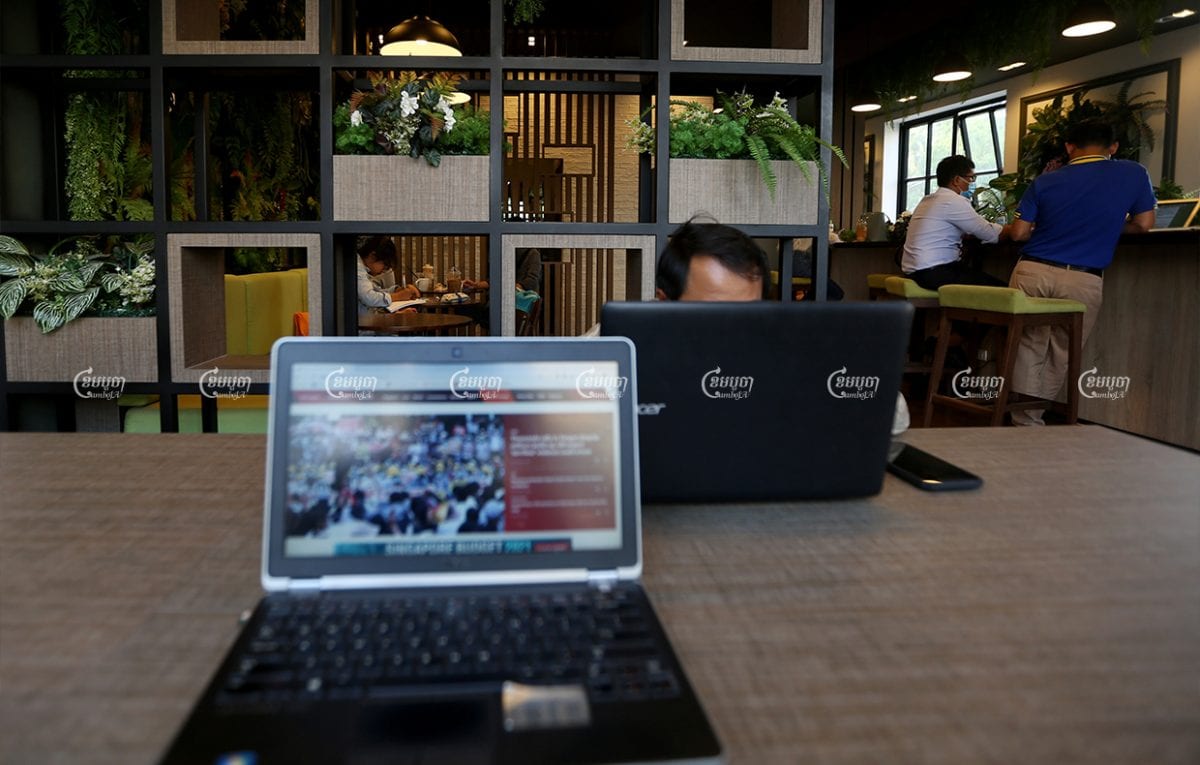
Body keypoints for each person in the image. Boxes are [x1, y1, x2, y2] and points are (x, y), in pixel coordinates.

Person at [603, 216, 910, 433]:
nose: (733, 329)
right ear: (663, 302)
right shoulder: (619, 347)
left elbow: (894, 416)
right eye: (714, 313)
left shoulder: (776, 347)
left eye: (747, 312)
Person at [1006, 119, 1156, 425]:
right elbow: (1144, 224)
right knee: (1062, 351)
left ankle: (1022, 423)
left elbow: (1019, 233)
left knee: (1028, 345)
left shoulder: (1045, 182)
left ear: (1069, 147)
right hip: (1083, 278)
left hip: (1032, 272)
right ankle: (1030, 420)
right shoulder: (1133, 173)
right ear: (1113, 147)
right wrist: (1106, 227)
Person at [901, 155, 1011, 290]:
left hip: (916, 272)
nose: (972, 183)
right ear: (957, 180)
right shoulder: (953, 201)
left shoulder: (927, 200)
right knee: (1003, 291)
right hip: (934, 272)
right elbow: (989, 233)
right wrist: (1016, 229)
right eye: (971, 178)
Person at [356, 236, 420, 318]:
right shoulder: (357, 267)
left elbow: (376, 291)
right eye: (385, 265)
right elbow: (369, 297)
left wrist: (397, 290)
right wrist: (398, 296)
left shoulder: (363, 268)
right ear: (373, 256)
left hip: (368, 321)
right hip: (360, 327)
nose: (384, 270)